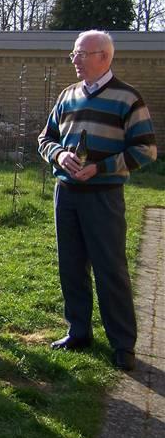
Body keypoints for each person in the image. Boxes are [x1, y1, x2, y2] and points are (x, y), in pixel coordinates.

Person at [38, 30, 157, 371]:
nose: (74, 59)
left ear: (103, 56)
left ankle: (123, 345)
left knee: (110, 269)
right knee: (71, 265)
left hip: (103, 197)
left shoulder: (127, 99)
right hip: (67, 195)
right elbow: (46, 138)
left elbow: (146, 150)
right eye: (74, 54)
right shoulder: (67, 95)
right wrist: (59, 156)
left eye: (81, 54)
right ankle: (78, 331)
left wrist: (101, 168)